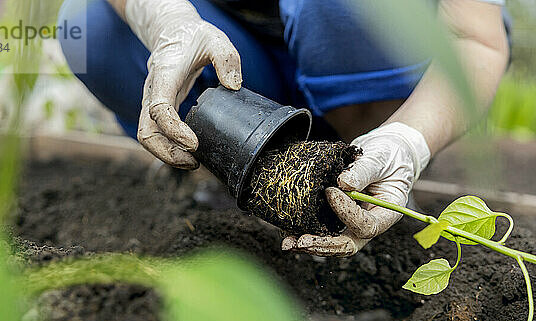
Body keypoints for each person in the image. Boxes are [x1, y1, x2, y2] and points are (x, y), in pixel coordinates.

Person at [58, 0, 510, 257]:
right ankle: (227, 174)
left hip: (374, 57)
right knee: (85, 27)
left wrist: (408, 139)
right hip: (242, 58)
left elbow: (475, 40)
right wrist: (169, 23)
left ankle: (368, 169)